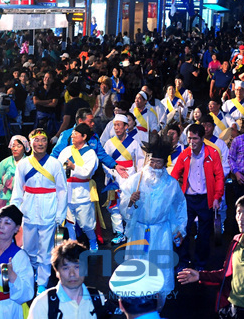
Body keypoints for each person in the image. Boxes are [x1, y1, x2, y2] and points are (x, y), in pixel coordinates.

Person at [178, 194, 244, 319]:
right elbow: (226, 274)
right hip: (232, 309)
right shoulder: (235, 241)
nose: (240, 218)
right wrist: (200, 275)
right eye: (238, 213)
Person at [119, 136, 187, 307]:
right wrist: (130, 201)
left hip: (161, 233)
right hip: (139, 231)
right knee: (137, 267)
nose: (155, 166)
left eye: (159, 163)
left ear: (165, 164)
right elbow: (123, 205)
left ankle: (158, 307)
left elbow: (179, 208)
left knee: (159, 268)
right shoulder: (136, 180)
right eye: (152, 161)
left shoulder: (171, 185)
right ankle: (135, 305)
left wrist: (180, 229)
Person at [10, 128, 67, 294]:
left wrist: (60, 215)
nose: (40, 143)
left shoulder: (55, 164)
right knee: (28, 249)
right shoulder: (23, 164)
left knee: (45, 250)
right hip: (28, 210)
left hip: (49, 210)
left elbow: (62, 190)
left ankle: (42, 281)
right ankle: (30, 275)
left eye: (43, 139)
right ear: (30, 143)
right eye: (36, 140)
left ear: (47, 142)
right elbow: (18, 190)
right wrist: (15, 212)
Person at [171, 123, 224, 271]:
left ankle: (200, 264)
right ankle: (183, 262)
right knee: (183, 231)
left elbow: (220, 176)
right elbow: (175, 174)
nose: (191, 142)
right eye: (189, 139)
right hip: (188, 199)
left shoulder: (212, 153)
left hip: (206, 199)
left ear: (202, 139)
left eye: (195, 138)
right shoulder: (185, 154)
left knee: (204, 235)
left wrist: (217, 197)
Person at [28, 240, 107, 319]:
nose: (72, 274)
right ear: (57, 272)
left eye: (77, 267)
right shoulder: (43, 304)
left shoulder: (98, 298)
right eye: (65, 268)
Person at [102, 114, 145, 244]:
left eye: (119, 125)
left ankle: (130, 230)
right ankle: (119, 232)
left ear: (126, 126)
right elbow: (105, 161)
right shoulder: (109, 143)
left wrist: (138, 177)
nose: (116, 128)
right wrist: (112, 173)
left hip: (130, 177)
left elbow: (140, 161)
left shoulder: (134, 143)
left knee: (129, 204)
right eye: (115, 125)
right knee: (114, 206)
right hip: (114, 178)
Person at [57, 123, 100, 250]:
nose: (72, 136)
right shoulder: (66, 150)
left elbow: (87, 172)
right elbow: (59, 168)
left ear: (84, 136)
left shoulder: (90, 153)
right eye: (73, 133)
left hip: (83, 192)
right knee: (69, 222)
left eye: (76, 134)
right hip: (67, 191)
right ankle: (72, 244)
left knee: (86, 224)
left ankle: (93, 240)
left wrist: (73, 167)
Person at [0, 135, 30, 213]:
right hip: (6, 197)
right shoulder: (6, 162)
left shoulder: (29, 162)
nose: (15, 149)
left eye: (19, 146)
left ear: (24, 148)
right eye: (13, 146)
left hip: (24, 197)